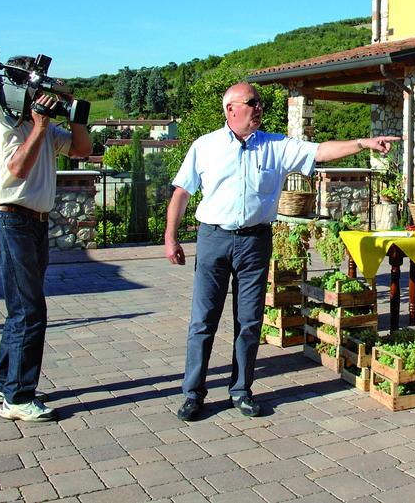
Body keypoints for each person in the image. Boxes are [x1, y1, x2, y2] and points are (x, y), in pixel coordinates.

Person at [165, 82, 398, 421]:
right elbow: (182, 193)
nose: (259, 107)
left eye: (260, 102)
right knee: (203, 321)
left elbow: (319, 151)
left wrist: (363, 143)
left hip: (255, 242)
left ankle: (241, 391)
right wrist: (171, 237)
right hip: (213, 239)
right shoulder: (205, 146)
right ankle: (193, 394)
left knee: (249, 321)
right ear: (231, 109)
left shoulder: (275, 145)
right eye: (252, 102)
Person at [0, 58, 91, 422]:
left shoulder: (35, 126)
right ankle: (18, 397)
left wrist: (73, 110)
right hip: (9, 220)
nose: (43, 98)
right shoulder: (5, 125)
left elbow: (81, 150)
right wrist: (41, 126)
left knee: (21, 309)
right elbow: (17, 169)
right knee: (30, 311)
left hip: (33, 224)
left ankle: (4, 382)